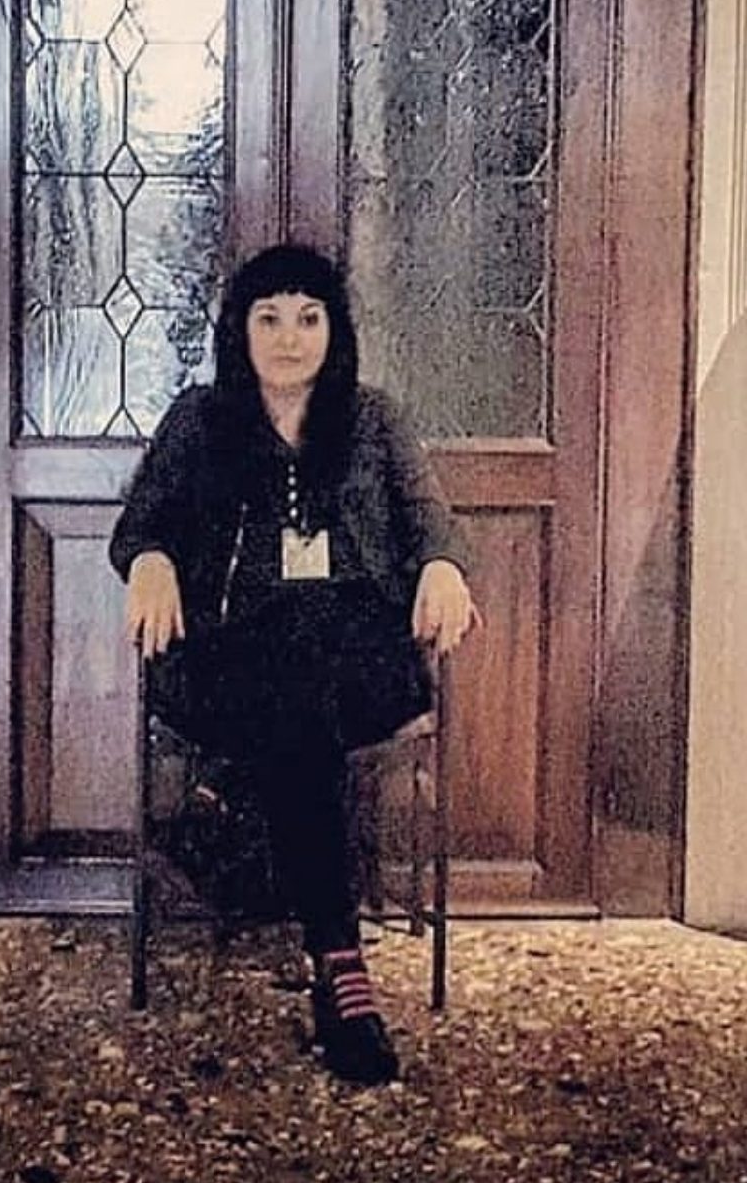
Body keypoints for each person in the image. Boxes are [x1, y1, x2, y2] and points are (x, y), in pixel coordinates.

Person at [113, 242, 477, 1085]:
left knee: (305, 658)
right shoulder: (199, 421)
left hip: (363, 661)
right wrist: (151, 559)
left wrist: (444, 567)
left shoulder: (374, 419)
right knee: (292, 683)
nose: (288, 337)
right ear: (239, 330)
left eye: (308, 318)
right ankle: (340, 964)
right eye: (269, 318)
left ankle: (225, 800)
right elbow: (141, 524)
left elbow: (434, 523)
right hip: (225, 660)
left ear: (333, 330)